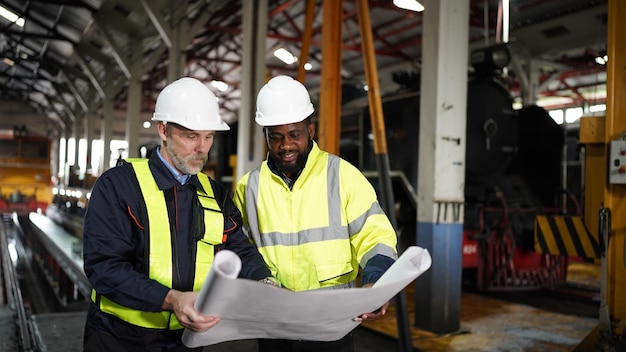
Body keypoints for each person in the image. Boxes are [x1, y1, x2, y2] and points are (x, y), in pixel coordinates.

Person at [82, 77, 275, 352]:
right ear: (163, 130)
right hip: (119, 340)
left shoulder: (216, 194)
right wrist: (171, 299)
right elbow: (104, 267)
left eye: (208, 136)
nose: (202, 148)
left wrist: (263, 281)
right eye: (191, 136)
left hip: (186, 341)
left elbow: (237, 250)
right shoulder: (119, 186)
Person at [233, 75, 398, 352]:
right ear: (266, 136)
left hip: (331, 327)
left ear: (310, 130)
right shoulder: (248, 187)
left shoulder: (343, 176)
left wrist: (377, 282)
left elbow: (375, 236)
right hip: (275, 328)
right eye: (276, 137)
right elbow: (239, 249)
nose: (286, 145)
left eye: (294, 135)